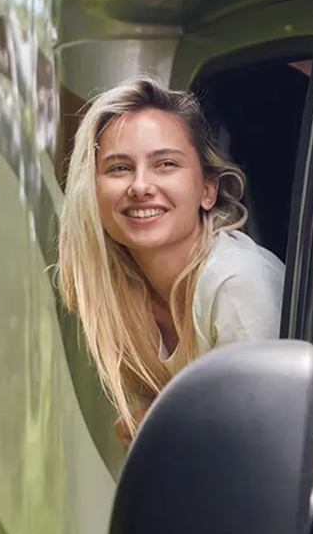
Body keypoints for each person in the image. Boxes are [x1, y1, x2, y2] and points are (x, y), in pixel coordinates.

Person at [55, 78, 283, 442]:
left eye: (165, 164)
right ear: (93, 193)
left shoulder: (237, 281)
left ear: (208, 191)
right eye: (119, 168)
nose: (140, 186)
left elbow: (258, 442)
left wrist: (161, 427)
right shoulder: (123, 295)